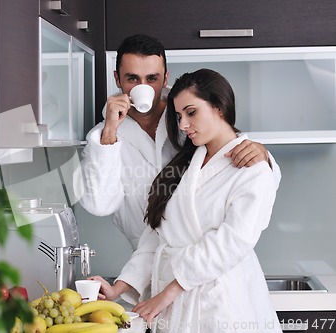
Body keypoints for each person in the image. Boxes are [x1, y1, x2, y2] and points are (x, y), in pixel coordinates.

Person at [91, 69, 282, 332]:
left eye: (191, 113)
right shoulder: (186, 164)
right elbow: (160, 237)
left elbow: (232, 242)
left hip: (220, 304)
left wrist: (168, 293)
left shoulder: (254, 168)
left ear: (219, 107)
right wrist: (118, 288)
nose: (182, 125)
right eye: (179, 116)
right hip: (176, 306)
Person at [78, 34, 280, 250]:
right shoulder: (103, 137)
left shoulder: (187, 120)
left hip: (204, 249)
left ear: (165, 78)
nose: (143, 86)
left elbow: (235, 164)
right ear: (118, 79)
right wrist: (109, 133)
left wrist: (262, 155)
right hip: (144, 258)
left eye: (152, 79)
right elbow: (99, 205)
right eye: (133, 79)